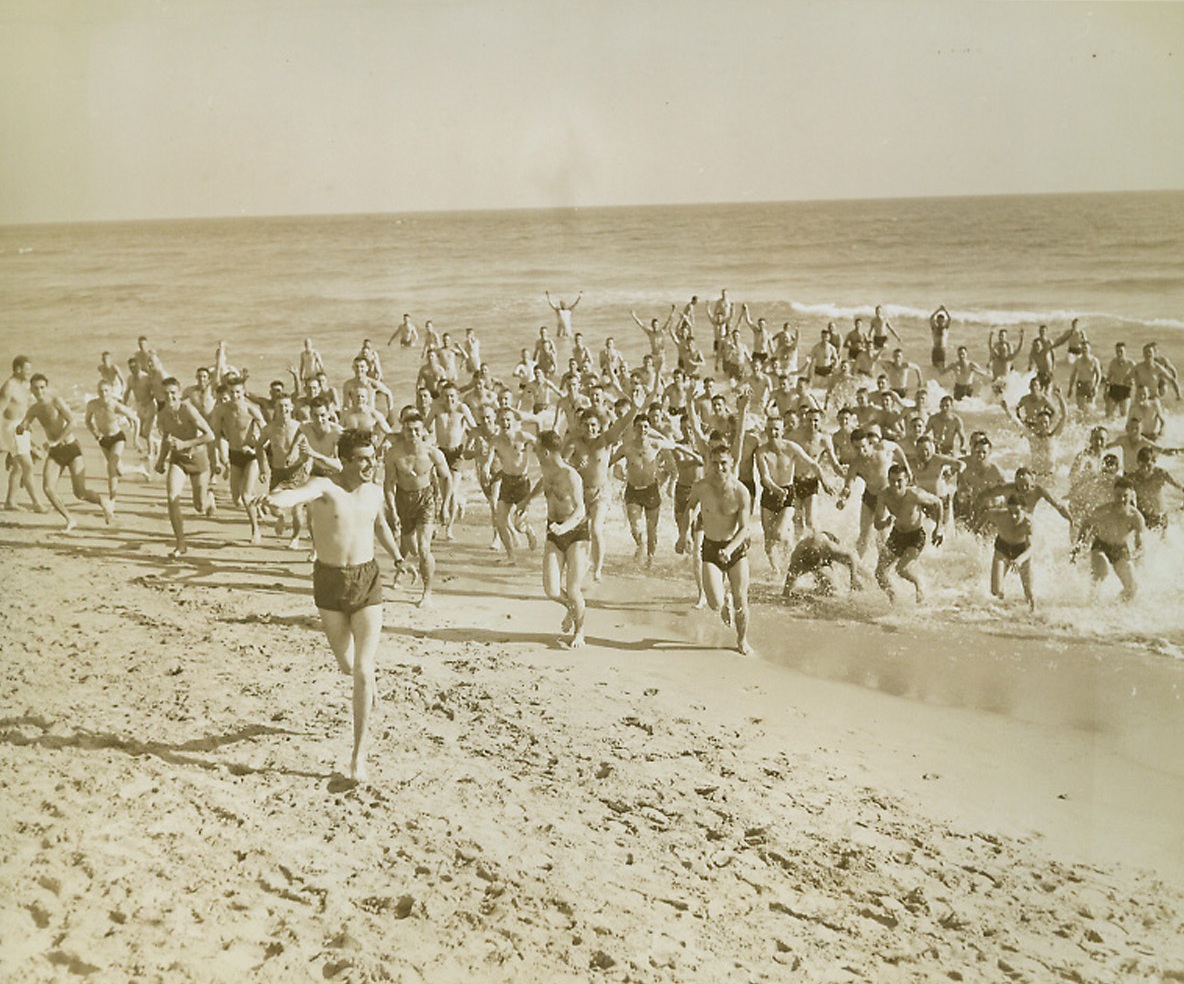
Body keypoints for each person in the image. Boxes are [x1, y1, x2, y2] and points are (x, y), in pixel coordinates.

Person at [257, 429, 403, 784]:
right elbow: (297, 494)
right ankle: (364, 686)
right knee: (346, 665)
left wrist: (398, 556)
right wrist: (275, 501)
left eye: (372, 457)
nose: (370, 464)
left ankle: (358, 756)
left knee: (363, 670)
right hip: (329, 581)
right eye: (362, 459)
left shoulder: (372, 490)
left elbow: (379, 523)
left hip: (367, 580)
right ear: (345, 460)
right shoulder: (325, 487)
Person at [16, 373, 114, 530]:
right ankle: (70, 519)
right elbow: (22, 427)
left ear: (46, 387)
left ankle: (103, 502)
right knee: (48, 488)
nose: (39, 391)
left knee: (80, 493)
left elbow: (73, 422)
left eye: (42, 387)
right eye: (35, 388)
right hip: (55, 452)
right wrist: (24, 437)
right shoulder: (33, 409)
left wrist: (57, 440)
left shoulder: (56, 401)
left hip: (71, 447)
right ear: (31, 390)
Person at [525, 431, 589, 648]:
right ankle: (571, 608)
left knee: (573, 589)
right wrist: (526, 501)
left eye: (536, 449)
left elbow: (581, 510)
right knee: (551, 589)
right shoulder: (546, 469)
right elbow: (543, 484)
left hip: (576, 532)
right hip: (554, 531)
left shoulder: (571, 475)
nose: (534, 452)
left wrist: (565, 527)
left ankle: (580, 632)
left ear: (545, 451)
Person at [688, 443, 753, 655]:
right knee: (715, 604)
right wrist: (682, 534)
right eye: (714, 464)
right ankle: (723, 599)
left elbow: (744, 528)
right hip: (711, 547)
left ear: (731, 463)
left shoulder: (741, 492)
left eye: (723, 463)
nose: (719, 468)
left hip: (735, 548)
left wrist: (731, 548)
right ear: (709, 464)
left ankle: (742, 640)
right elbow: (689, 509)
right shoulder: (701, 487)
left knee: (741, 600)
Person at [383, 411, 452, 607]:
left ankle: (427, 593)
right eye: (408, 429)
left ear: (422, 431)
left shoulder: (432, 453)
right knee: (411, 548)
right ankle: (404, 569)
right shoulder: (394, 454)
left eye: (416, 430)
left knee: (423, 549)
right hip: (403, 500)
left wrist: (445, 505)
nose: (412, 433)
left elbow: (446, 477)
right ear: (403, 430)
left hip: (426, 499)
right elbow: (388, 484)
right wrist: (392, 510)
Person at [155, 376, 216, 557]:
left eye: (173, 393)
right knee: (172, 497)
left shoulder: (188, 409)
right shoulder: (163, 414)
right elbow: (166, 439)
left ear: (179, 393)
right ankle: (180, 544)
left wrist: (186, 444)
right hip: (178, 460)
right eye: (166, 394)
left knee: (199, 505)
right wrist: (160, 460)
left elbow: (210, 435)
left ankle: (209, 499)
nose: (170, 397)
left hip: (197, 459)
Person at [836, 427, 911, 557]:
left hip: (887, 496)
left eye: (863, 447)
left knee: (882, 536)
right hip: (869, 497)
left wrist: (907, 468)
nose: (861, 451)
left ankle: (884, 568)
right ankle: (857, 565)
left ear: (869, 443)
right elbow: (848, 485)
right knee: (864, 534)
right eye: (857, 448)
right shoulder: (856, 463)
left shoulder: (882, 448)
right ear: (852, 447)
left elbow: (897, 448)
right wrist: (843, 498)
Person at [211, 375, 268, 544]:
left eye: (238, 392)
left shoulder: (251, 409)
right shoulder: (221, 410)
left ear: (243, 392)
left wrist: (256, 443)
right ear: (228, 392)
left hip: (251, 455)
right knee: (236, 499)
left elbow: (267, 433)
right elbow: (215, 434)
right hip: (234, 454)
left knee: (245, 495)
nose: (235, 396)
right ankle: (258, 502)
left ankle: (255, 531)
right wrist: (219, 458)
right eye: (232, 392)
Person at [873, 465, 942, 603]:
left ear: (907, 481)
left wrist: (938, 529)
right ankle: (893, 598)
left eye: (899, 481)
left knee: (901, 569)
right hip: (897, 535)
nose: (895, 485)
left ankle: (920, 585)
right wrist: (885, 523)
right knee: (879, 573)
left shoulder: (915, 495)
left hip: (915, 536)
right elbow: (876, 524)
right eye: (892, 481)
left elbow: (938, 502)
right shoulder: (884, 495)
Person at [1074, 478, 1145, 602]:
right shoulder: (1103, 511)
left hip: (1121, 549)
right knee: (1102, 571)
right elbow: (1086, 524)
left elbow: (1141, 544)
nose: (1122, 500)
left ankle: (1114, 607)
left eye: (1125, 496)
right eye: (1118, 496)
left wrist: (1135, 554)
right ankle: (1091, 604)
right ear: (1113, 494)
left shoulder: (1136, 517)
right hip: (1101, 546)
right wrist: (1079, 545)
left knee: (1132, 588)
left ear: (1131, 495)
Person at [84, 378, 144, 499]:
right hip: (103, 440)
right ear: (97, 392)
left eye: (106, 391)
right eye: (101, 391)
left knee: (111, 467)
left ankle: (112, 499)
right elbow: (87, 421)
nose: (104, 394)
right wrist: (95, 432)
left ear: (111, 392)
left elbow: (136, 420)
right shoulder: (92, 405)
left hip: (117, 438)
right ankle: (140, 469)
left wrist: (136, 440)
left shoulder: (116, 406)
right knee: (119, 471)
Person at [1, 355, 43, 512]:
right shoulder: (9, 386)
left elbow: (22, 407)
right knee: (28, 466)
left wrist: (27, 423)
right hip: (11, 427)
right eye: (27, 370)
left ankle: (10, 501)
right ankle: (37, 503)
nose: (29, 373)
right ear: (17, 369)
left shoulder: (23, 385)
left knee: (18, 466)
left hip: (21, 427)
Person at [981, 496, 1037, 611]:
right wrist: (977, 528)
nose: (1013, 516)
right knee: (995, 591)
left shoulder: (1028, 523)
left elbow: (1031, 548)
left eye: (1017, 512)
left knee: (1030, 593)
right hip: (1002, 549)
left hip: (1022, 551)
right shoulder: (1000, 515)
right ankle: (1005, 608)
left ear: (1024, 510)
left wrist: (1019, 560)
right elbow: (987, 514)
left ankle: (1034, 615)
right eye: (1010, 512)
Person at [782, 530, 862, 596]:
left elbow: (851, 557)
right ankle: (821, 586)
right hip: (811, 546)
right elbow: (786, 593)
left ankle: (870, 579)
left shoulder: (829, 549)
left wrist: (853, 579)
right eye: (812, 569)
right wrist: (796, 596)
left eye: (816, 568)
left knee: (856, 566)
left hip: (826, 537)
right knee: (829, 587)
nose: (814, 570)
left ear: (821, 559)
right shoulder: (796, 562)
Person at [1128, 446, 1183, 532]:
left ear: (1154, 462)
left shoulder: (1160, 474)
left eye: (1149, 466)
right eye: (1142, 466)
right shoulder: (1133, 478)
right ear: (1137, 463)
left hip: (1160, 517)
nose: (1145, 469)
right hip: (1142, 517)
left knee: (1163, 544)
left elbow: (1179, 486)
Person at [1066, 341, 1103, 415]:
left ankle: (1089, 424)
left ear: (1089, 349)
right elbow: (1073, 375)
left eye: (1085, 348)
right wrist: (1070, 388)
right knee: (1080, 409)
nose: (1084, 350)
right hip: (1080, 384)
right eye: (1082, 348)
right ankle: (1081, 424)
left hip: (1090, 385)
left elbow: (1099, 375)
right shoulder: (1078, 361)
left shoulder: (1094, 360)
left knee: (1090, 408)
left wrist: (1096, 386)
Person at [1104, 341, 1137, 418]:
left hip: (1125, 390)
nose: (1119, 353)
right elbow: (1108, 378)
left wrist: (1134, 384)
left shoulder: (1130, 364)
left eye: (1121, 351)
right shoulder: (1113, 362)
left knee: (1124, 415)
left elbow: (1137, 377)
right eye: (1117, 351)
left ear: (1125, 352)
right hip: (1114, 388)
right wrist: (1105, 391)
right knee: (1108, 414)